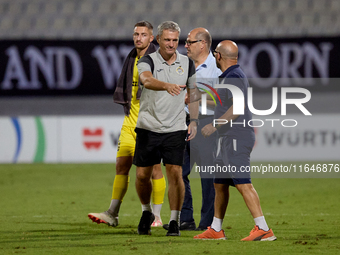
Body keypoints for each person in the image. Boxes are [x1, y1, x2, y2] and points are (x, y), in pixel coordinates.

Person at [194, 40, 276, 241]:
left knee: (243, 183)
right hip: (229, 137)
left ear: (218, 56)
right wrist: (197, 98)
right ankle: (216, 228)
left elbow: (237, 108)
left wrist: (215, 125)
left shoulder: (235, 76)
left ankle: (263, 228)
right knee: (219, 183)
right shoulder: (230, 77)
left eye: (215, 53)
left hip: (236, 137)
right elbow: (222, 102)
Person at [88, 21, 166, 228]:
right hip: (129, 123)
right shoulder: (131, 57)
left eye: (143, 34)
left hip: (150, 126)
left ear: (152, 38)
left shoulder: (158, 61)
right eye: (135, 34)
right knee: (121, 166)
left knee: (154, 170)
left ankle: (156, 216)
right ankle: (112, 213)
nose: (138, 38)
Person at [133, 21, 199, 236]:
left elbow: (194, 92)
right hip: (148, 126)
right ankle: (146, 212)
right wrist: (167, 85)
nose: (171, 44)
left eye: (175, 40)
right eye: (167, 39)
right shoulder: (147, 60)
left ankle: (174, 221)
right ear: (158, 40)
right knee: (143, 175)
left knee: (175, 174)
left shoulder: (187, 63)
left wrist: (195, 121)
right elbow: (147, 80)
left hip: (175, 128)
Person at [163, 28, 221, 231]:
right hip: (181, 123)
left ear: (203, 44)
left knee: (207, 175)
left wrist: (195, 96)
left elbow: (225, 99)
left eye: (189, 42)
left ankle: (208, 224)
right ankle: (185, 218)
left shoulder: (217, 68)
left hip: (206, 124)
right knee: (178, 171)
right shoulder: (183, 65)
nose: (185, 45)